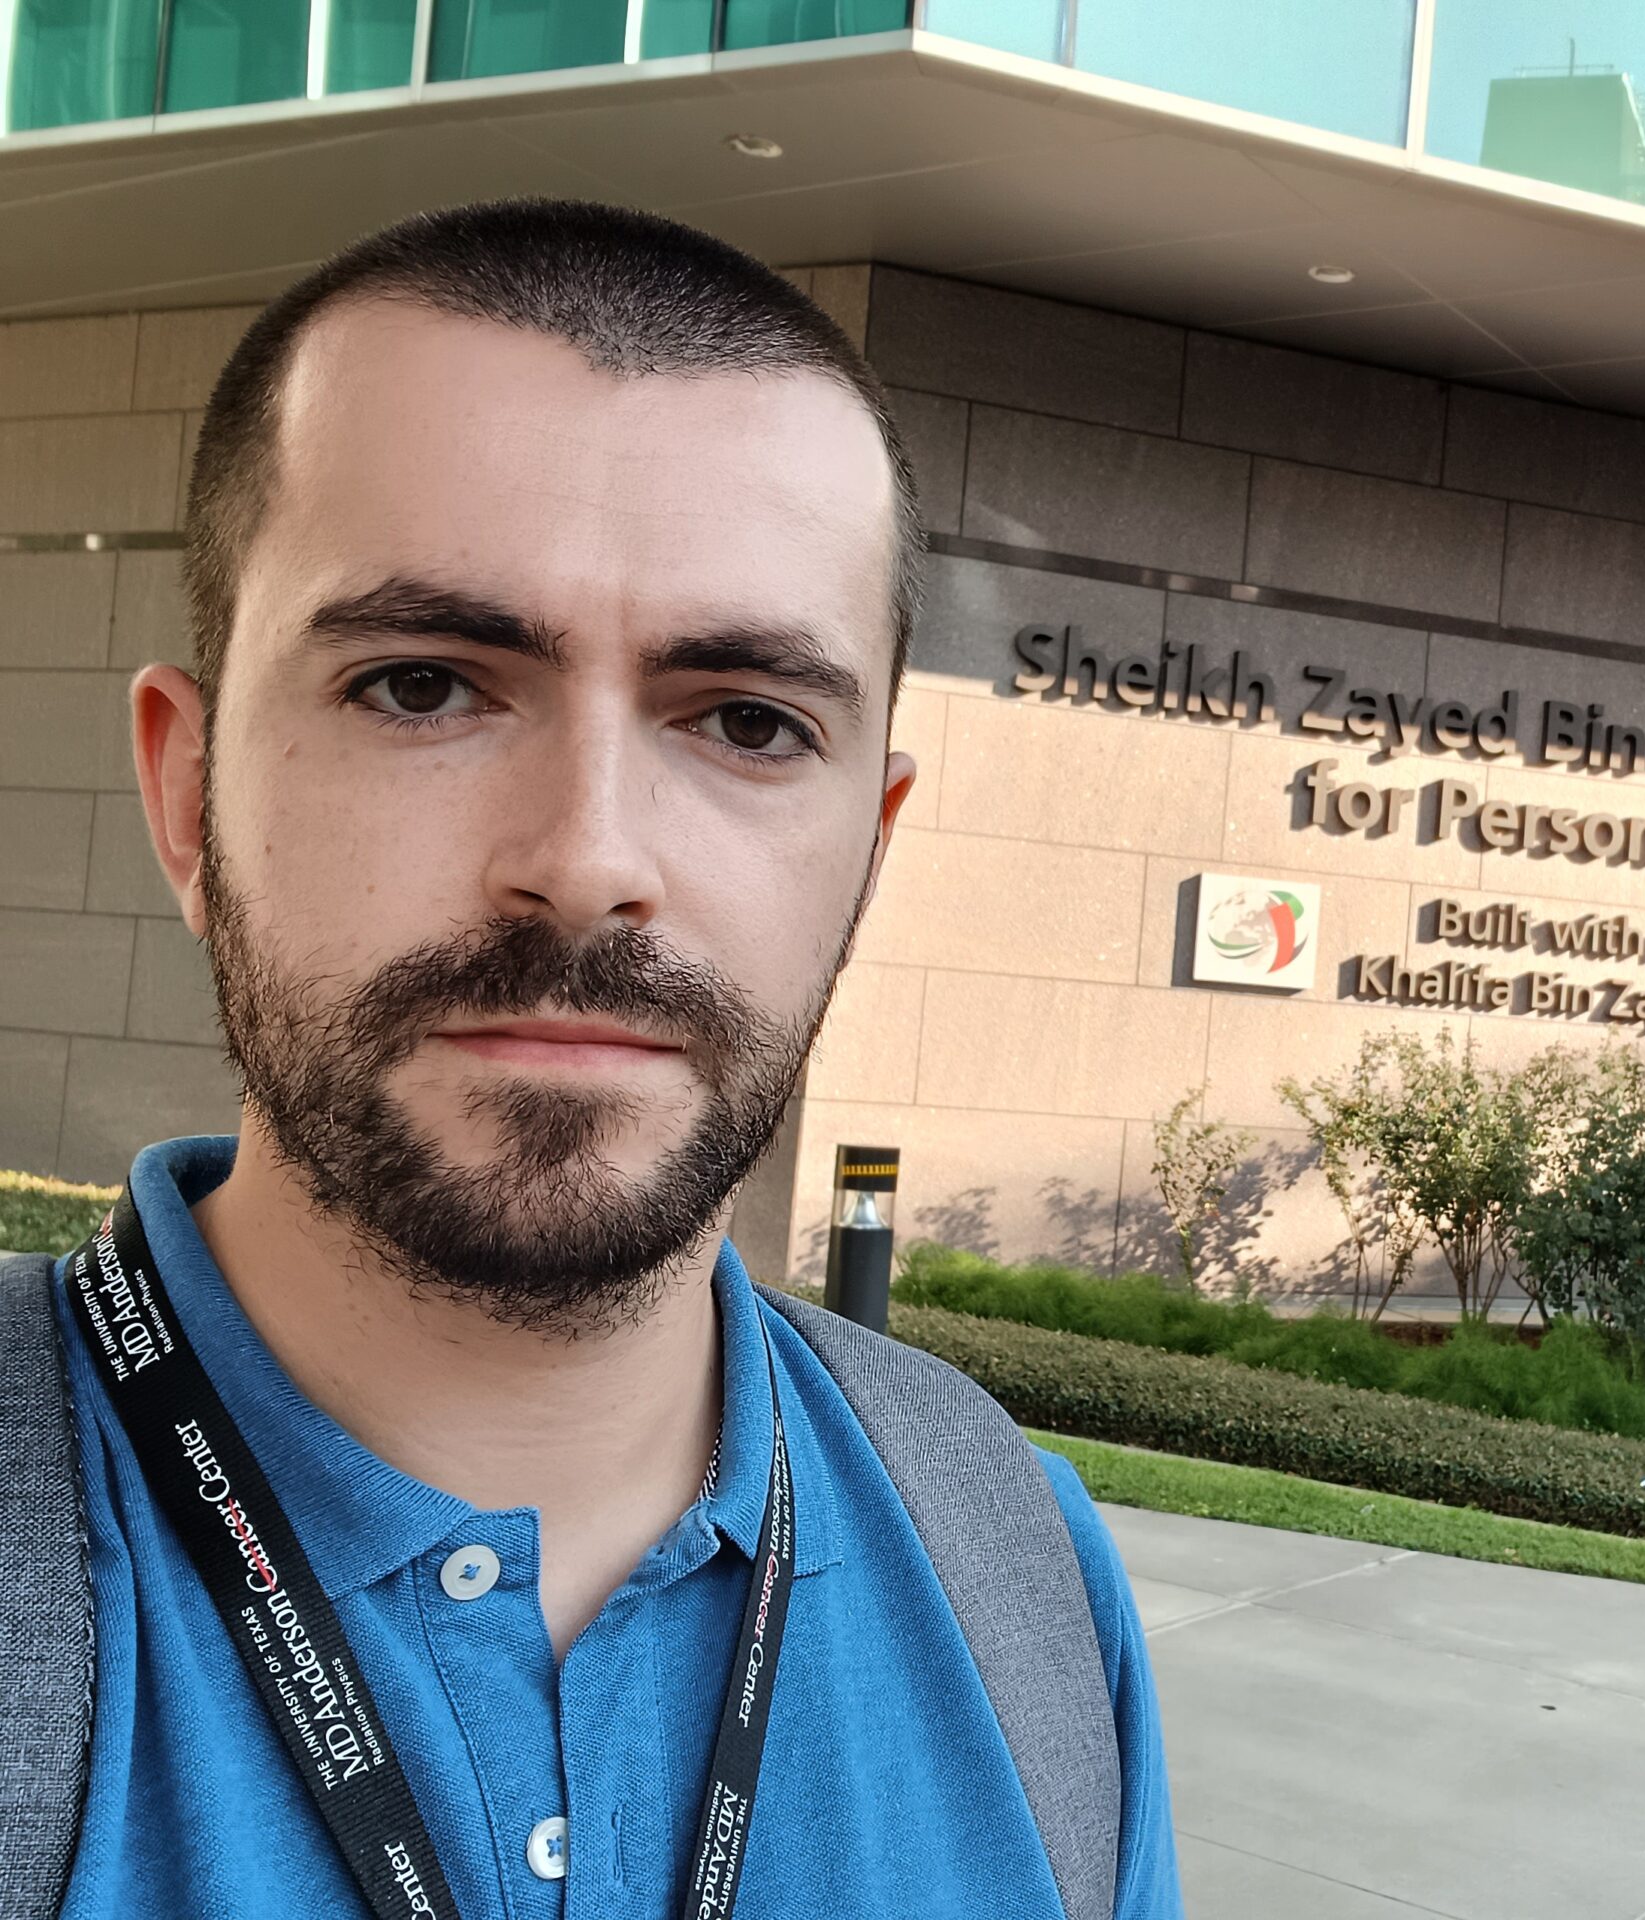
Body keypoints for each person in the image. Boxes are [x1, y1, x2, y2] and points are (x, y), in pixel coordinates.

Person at [8, 199, 1181, 1918]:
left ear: (869, 849)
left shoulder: (1021, 1579)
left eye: (749, 722)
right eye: (423, 686)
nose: (586, 858)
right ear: (189, 796)